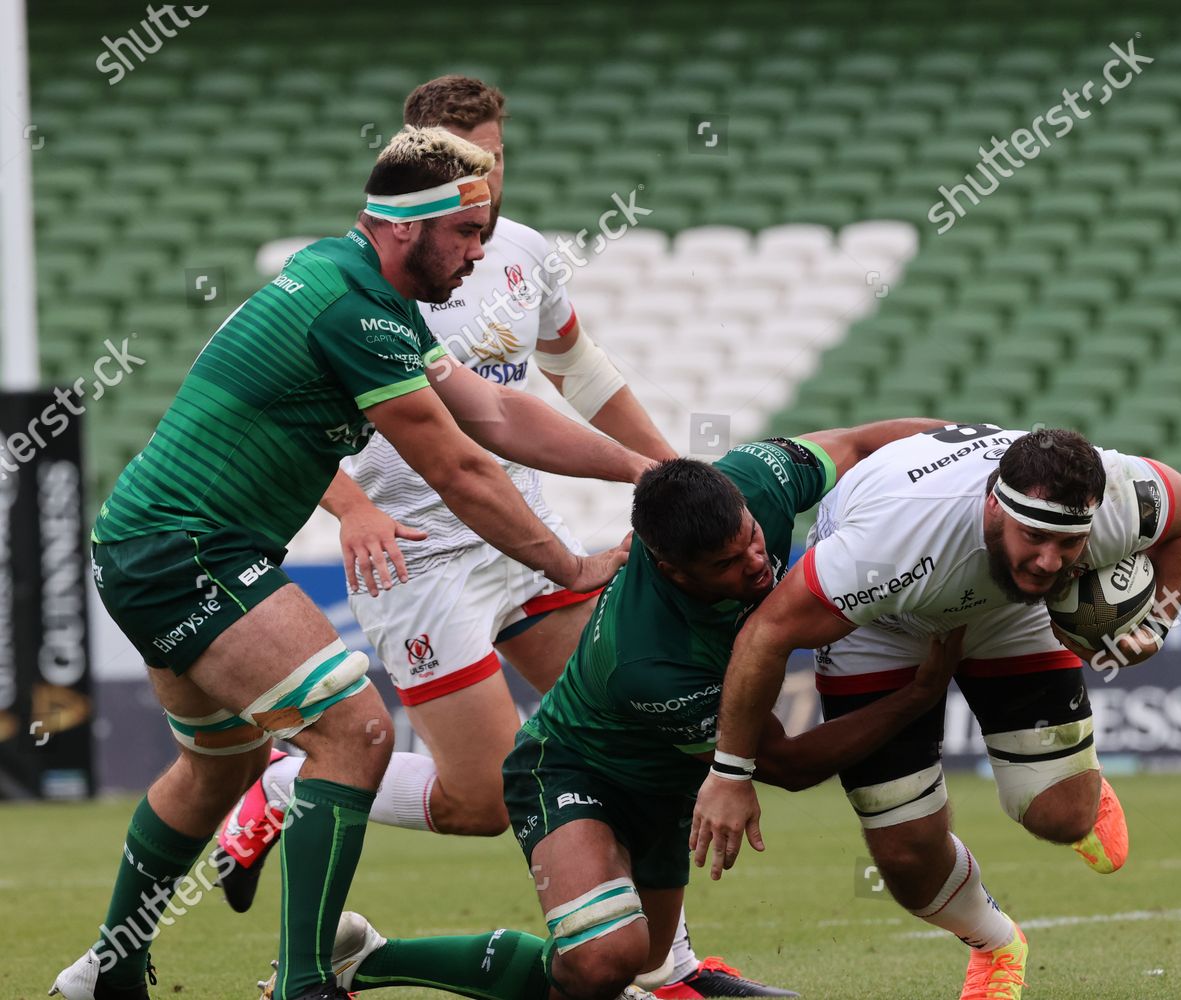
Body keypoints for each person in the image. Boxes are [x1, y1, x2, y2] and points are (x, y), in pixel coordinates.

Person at [210, 73, 785, 999]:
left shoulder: (515, 255)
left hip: (519, 533)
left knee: (638, 724)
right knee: (479, 800)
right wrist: (353, 507)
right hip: (420, 562)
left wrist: (672, 472)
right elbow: (265, 411)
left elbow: (573, 369)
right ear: (410, 157)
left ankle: (669, 963)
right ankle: (286, 784)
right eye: (458, 160)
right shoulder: (361, 276)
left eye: (496, 159)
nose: (483, 179)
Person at [50, 125, 654, 1000]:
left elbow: (495, 413)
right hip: (187, 553)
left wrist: (641, 466)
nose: (480, 254)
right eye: (467, 234)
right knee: (356, 732)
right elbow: (461, 469)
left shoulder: (366, 293)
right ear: (407, 227)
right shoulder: (356, 311)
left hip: (161, 547)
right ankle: (307, 982)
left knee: (215, 766)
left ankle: (109, 971)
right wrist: (570, 566)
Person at [252, 421, 963, 1000]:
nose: (754, 563)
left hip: (663, 790)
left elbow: (863, 442)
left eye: (751, 538)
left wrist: (973, 448)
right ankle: (365, 939)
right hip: (572, 771)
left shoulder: (755, 481)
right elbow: (783, 763)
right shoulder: (650, 658)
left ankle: (363, 960)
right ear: (669, 566)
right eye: (725, 564)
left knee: (642, 963)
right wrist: (919, 697)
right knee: (603, 961)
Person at [692, 424, 1181, 999]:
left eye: (1069, 544)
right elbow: (765, 636)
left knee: (1062, 817)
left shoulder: (1117, 497)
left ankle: (1081, 795)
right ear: (994, 504)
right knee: (907, 858)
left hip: (1011, 614)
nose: (1047, 561)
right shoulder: (889, 545)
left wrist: (1158, 622)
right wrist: (730, 773)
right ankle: (996, 944)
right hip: (883, 624)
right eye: (1034, 535)